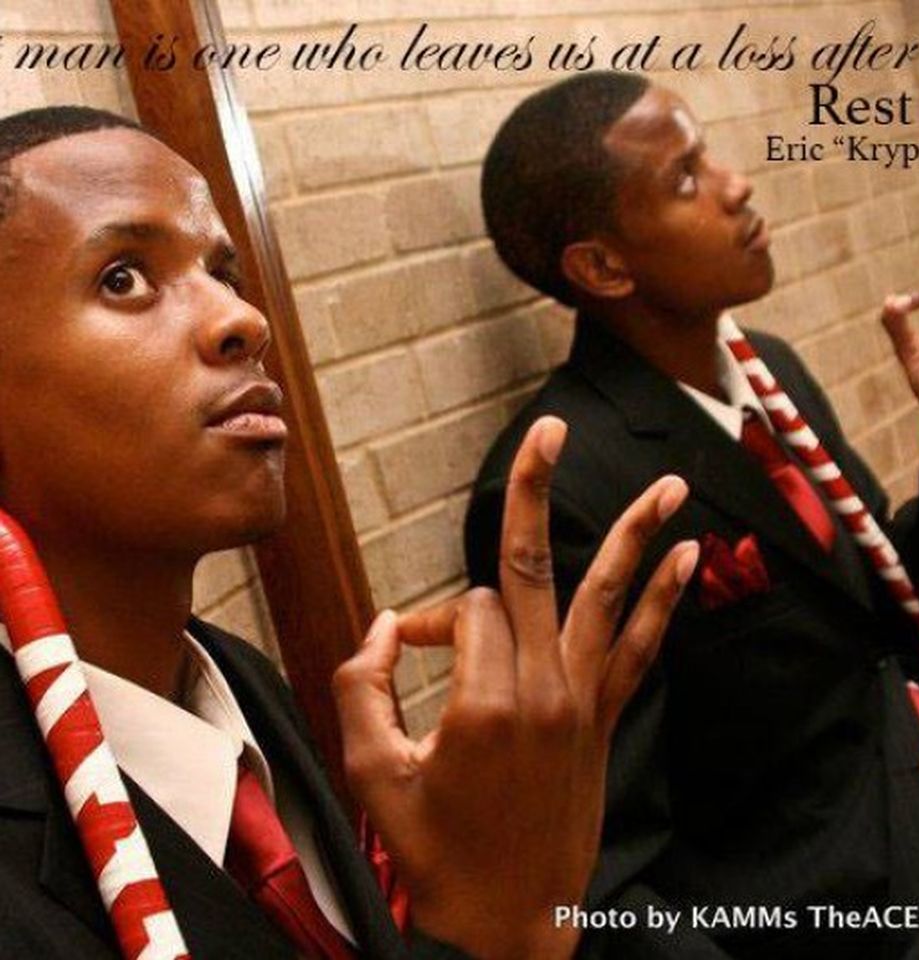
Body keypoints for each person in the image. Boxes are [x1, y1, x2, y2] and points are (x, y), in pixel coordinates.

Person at [0, 105, 700, 960]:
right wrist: (490, 934)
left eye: (222, 272)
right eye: (123, 279)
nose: (242, 320)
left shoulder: (239, 684)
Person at [465, 71, 919, 960]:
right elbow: (603, 864)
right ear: (603, 267)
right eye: (686, 177)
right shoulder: (564, 486)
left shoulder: (770, 369)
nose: (737, 185)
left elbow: (896, 608)